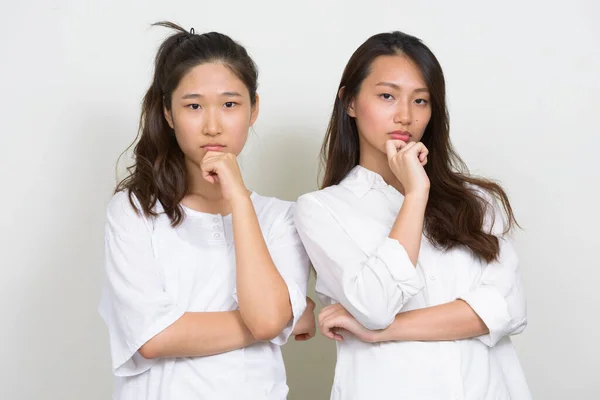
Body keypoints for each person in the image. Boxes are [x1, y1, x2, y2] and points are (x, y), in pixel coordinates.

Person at [294, 31, 530, 400]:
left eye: (420, 100)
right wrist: (416, 195)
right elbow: (375, 306)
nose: (405, 116)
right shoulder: (321, 209)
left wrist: (383, 332)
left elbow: (508, 310)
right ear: (350, 102)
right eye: (387, 96)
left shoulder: (477, 201)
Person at [99, 21, 313, 400]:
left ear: (253, 109)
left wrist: (240, 202)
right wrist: (283, 319)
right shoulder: (135, 211)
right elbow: (151, 339)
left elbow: (265, 317)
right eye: (194, 106)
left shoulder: (282, 218)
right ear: (168, 114)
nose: (213, 126)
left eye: (230, 104)